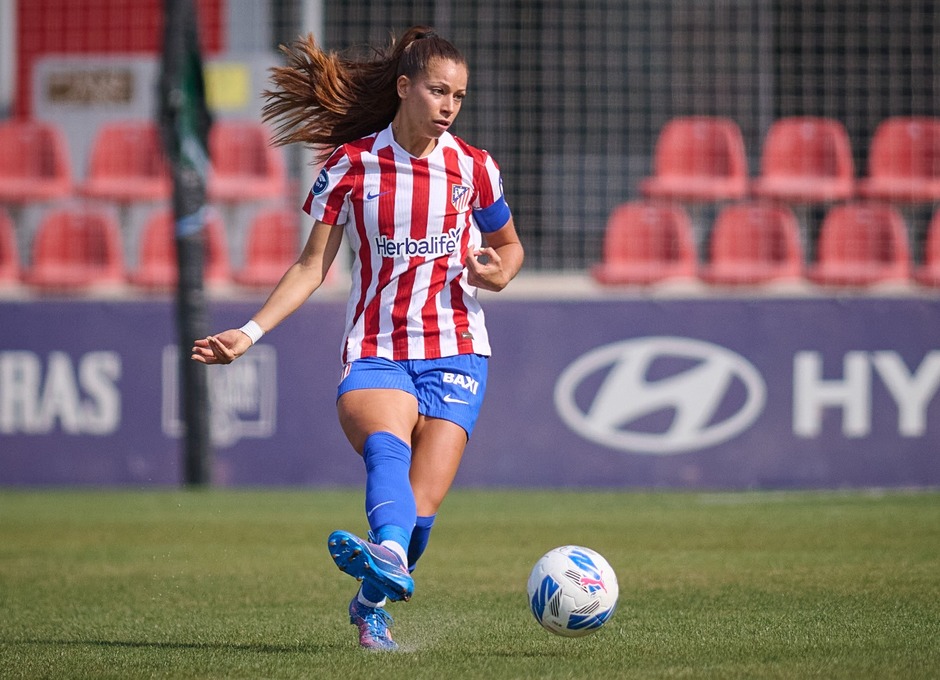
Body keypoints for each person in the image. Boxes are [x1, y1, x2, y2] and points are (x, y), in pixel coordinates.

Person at [190, 26, 524, 651]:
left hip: (457, 348)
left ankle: (373, 596)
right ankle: (387, 562)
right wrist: (250, 331)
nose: (449, 105)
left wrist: (500, 272)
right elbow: (311, 266)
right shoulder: (351, 166)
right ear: (404, 88)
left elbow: (508, 247)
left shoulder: (474, 169)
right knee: (387, 451)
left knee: (420, 513)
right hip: (376, 349)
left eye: (458, 95)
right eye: (437, 90)